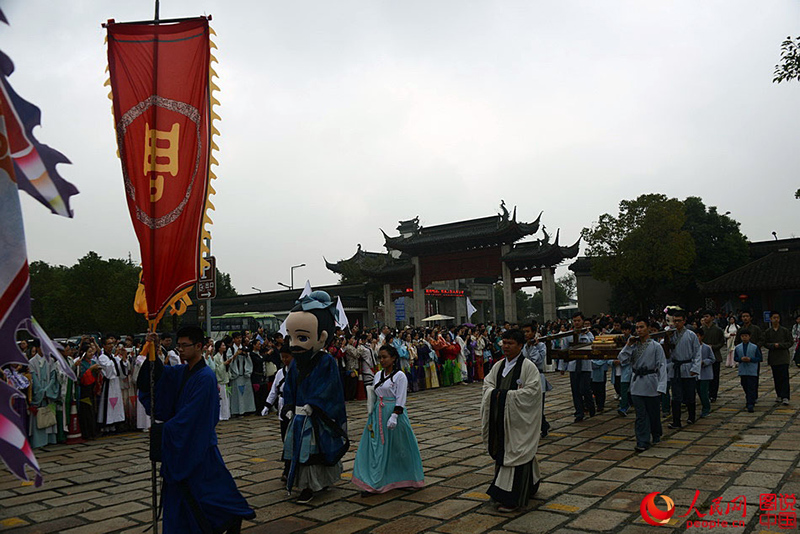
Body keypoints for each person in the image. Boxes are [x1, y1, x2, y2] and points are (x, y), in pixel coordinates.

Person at [138, 327, 255, 533]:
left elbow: (193, 418)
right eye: (179, 346)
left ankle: (229, 519)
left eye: (185, 346)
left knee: (210, 496)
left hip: (198, 448)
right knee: (189, 500)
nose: (180, 350)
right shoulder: (181, 371)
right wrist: (153, 351)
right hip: (184, 447)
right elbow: (158, 381)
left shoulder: (205, 377)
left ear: (199, 346)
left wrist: (163, 432)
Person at [282, 291, 349, 505]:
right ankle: (306, 483)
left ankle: (310, 486)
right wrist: (289, 405)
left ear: (321, 337)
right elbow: (290, 385)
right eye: (292, 337)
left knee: (312, 452)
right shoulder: (295, 363)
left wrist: (314, 404)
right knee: (298, 451)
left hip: (314, 415)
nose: (295, 343)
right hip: (299, 415)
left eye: (302, 337)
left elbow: (329, 388)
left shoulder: (326, 361)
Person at [480, 328, 542, 513]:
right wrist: (497, 395)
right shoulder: (498, 366)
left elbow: (532, 393)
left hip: (519, 421)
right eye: (504, 343)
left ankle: (512, 497)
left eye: (510, 343)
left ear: (520, 346)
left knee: (518, 451)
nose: (505, 347)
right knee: (506, 450)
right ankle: (530, 485)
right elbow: (487, 385)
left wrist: (504, 396)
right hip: (501, 420)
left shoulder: (528, 367)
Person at [352, 344, 424, 495]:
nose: (382, 360)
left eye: (385, 357)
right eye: (380, 357)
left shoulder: (400, 376)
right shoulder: (378, 375)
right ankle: (374, 481)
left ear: (393, 358)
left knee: (399, 447)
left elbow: (401, 398)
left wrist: (395, 415)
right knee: (376, 447)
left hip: (394, 414)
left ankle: (404, 478)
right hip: (378, 413)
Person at [618, 319, 668, 452]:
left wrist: (662, 386)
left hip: (651, 382)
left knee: (653, 413)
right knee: (641, 415)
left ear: (648, 329)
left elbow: (662, 366)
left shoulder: (655, 346)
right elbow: (622, 359)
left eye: (641, 327)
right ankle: (642, 440)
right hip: (636, 383)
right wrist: (628, 345)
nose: (639, 330)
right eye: (637, 328)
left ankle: (656, 433)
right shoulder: (633, 345)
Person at [263, 339, 294, 481]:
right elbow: (274, 391)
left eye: (287, 357)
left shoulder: (298, 372)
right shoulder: (280, 373)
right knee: (285, 441)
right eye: (283, 357)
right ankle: (287, 469)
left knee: (294, 441)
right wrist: (267, 405)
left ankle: (291, 470)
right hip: (283, 409)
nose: (285, 360)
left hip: (295, 410)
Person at [557, 312, 595, 422]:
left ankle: (590, 405)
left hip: (585, 366)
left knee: (585, 388)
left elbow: (592, 344)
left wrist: (584, 334)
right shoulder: (568, 335)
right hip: (573, 366)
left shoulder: (588, 334)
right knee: (575, 390)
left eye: (579, 320)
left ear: (583, 321)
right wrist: (562, 367)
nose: (577, 323)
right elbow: (564, 350)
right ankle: (579, 412)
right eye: (575, 321)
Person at [667, 310, 701, 429]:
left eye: (679, 321)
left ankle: (691, 417)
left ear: (684, 321)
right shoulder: (671, 335)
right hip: (675, 368)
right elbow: (666, 351)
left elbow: (697, 352)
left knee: (689, 395)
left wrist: (695, 368)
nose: (676, 323)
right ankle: (676, 421)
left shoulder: (691, 335)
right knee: (676, 396)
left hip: (688, 367)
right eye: (674, 321)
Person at [522, 322, 550, 438]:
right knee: (528, 406)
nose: (526, 334)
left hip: (538, 377)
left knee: (538, 406)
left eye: (528, 331)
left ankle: (541, 427)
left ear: (534, 333)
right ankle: (541, 425)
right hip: (526, 378)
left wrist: (533, 347)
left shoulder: (541, 346)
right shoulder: (524, 346)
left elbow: (537, 360)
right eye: (524, 332)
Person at [97, 335, 128, 433]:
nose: (111, 346)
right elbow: (108, 371)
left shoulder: (114, 357)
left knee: (116, 403)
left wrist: (123, 359)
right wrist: (115, 359)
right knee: (108, 403)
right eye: (109, 344)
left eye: (112, 344)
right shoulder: (102, 357)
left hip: (116, 383)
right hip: (108, 384)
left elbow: (122, 372)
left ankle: (115, 422)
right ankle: (106, 424)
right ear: (104, 346)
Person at [763, 312, 793, 406]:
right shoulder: (768, 332)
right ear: (771, 319)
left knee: (784, 377)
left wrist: (780, 345)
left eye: (777, 317)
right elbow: (765, 343)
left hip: (783, 356)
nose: (776, 319)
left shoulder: (785, 331)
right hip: (773, 357)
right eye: (774, 318)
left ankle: (785, 396)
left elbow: (790, 342)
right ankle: (779, 394)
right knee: (776, 377)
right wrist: (773, 345)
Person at [733, 329, 761, 413]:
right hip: (743, 370)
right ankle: (750, 399)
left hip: (752, 370)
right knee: (744, 384)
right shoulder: (738, 347)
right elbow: (735, 358)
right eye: (742, 336)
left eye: (746, 336)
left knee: (751, 386)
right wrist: (741, 359)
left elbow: (759, 358)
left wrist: (751, 359)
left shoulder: (754, 347)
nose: (744, 338)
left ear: (749, 337)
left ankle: (750, 403)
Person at [227, 333, 255, 416]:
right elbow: (229, 360)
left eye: (240, 338)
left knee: (246, 394)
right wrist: (236, 355)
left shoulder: (244, 348)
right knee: (237, 395)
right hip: (236, 374)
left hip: (244, 374)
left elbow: (249, 361)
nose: (239, 340)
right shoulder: (231, 349)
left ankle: (248, 409)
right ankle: (236, 411)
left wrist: (245, 354)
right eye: (237, 338)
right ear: (234, 339)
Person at [700, 311, 725, 402]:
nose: (705, 318)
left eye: (707, 316)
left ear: (712, 318)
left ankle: (713, 394)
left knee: (715, 377)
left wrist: (713, 347)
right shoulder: (702, 329)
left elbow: (721, 342)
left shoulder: (717, 330)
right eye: (704, 316)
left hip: (715, 355)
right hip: (703, 356)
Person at [695, 328, 715, 418]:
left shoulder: (706, 347)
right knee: (698, 391)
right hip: (695, 373)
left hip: (705, 373)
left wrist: (704, 362)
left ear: (702, 336)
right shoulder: (692, 348)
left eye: (698, 336)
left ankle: (706, 408)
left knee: (704, 392)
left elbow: (712, 359)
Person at [212, 340, 231, 421]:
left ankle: (226, 414)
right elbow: (217, 369)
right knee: (221, 400)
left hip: (225, 380)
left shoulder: (224, 355)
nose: (224, 347)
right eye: (223, 345)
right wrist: (224, 364)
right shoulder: (216, 357)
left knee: (226, 399)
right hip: (220, 381)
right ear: (219, 347)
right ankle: (221, 415)